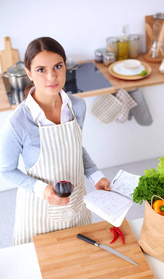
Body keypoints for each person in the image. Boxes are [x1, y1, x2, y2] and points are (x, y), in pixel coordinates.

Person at [0, 37, 110, 245]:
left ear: (65, 66)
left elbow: (76, 147)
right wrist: (42, 189)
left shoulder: (77, 106)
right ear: (29, 72)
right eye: (41, 69)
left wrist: (96, 176)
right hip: (38, 209)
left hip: (75, 203)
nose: (52, 76)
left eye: (57, 66)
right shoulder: (17, 122)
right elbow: (6, 171)